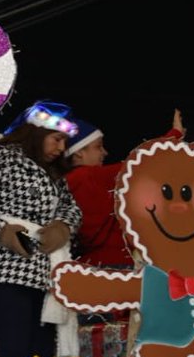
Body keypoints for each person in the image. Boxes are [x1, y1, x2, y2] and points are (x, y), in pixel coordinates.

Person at [0, 100, 83, 357]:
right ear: (37, 132)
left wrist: (63, 227)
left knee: (41, 354)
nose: (61, 148)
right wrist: (0, 230)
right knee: (15, 351)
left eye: (65, 142)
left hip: (44, 272)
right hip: (3, 268)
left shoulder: (53, 172)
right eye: (57, 139)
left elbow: (72, 208)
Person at [62, 110, 184, 269]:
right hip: (114, 264)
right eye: (98, 147)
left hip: (88, 263)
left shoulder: (68, 181)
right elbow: (142, 160)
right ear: (78, 153)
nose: (105, 152)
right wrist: (175, 135)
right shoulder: (89, 176)